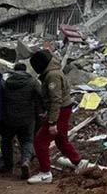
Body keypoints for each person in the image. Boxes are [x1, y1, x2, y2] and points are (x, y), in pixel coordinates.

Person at [27, 49, 81, 184]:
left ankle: (45, 172)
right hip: (63, 109)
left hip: (60, 111)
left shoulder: (52, 76)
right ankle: (78, 162)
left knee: (40, 141)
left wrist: (52, 122)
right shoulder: (55, 71)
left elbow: (56, 99)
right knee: (61, 140)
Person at [1, 63, 43, 180]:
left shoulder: (6, 82)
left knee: (6, 141)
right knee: (27, 141)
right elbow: (41, 96)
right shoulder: (32, 82)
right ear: (25, 70)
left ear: (14, 70)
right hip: (27, 118)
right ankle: (25, 161)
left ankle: (8, 165)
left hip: (9, 118)